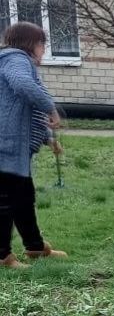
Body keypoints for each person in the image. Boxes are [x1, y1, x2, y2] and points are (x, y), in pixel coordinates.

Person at [0, 22, 67, 269]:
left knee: (24, 199)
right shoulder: (16, 60)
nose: (44, 50)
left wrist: (49, 139)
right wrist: (51, 108)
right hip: (5, 148)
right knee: (6, 203)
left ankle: (35, 248)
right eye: (42, 44)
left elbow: (27, 113)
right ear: (31, 44)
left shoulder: (14, 61)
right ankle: (3, 256)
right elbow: (24, 87)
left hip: (14, 149)